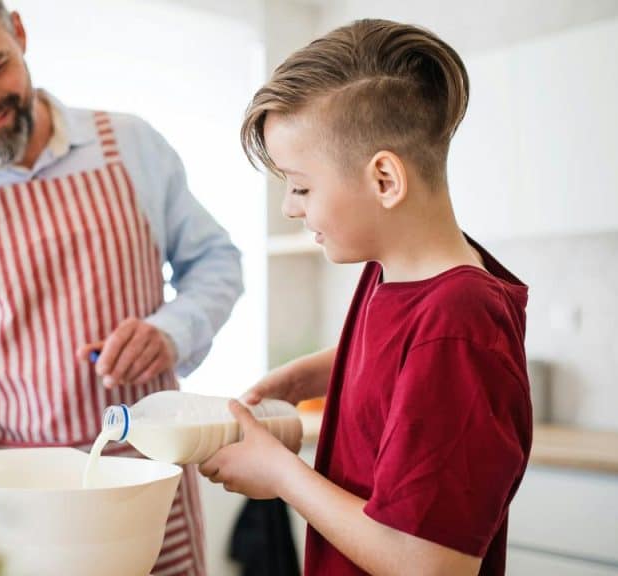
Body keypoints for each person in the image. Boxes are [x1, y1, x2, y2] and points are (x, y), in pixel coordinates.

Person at [0, 2, 244, 573]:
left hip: (150, 491)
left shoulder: (132, 145)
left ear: (19, 34)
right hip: (18, 519)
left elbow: (216, 261)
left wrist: (171, 332)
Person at [199, 19, 531, 576]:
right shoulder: (392, 274)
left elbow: (429, 565)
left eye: (301, 185)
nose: (290, 208)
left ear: (384, 180)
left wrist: (280, 473)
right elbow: (410, 360)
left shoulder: (461, 321)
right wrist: (327, 370)